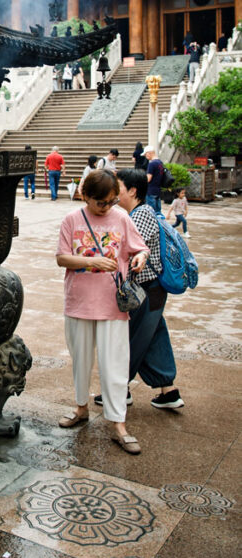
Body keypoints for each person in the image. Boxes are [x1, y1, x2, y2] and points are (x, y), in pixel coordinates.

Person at [56, 169, 149, 454]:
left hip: (113, 303)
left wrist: (141, 259)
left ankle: (118, 423)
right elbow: (61, 258)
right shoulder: (71, 220)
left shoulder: (121, 217)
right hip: (79, 301)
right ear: (86, 196)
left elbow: (139, 248)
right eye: (101, 202)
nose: (107, 207)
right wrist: (94, 259)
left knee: (115, 365)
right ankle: (81, 407)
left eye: (111, 201)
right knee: (80, 359)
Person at [109, 168, 185, 411]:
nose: (114, 192)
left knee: (131, 339)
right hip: (152, 291)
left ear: (132, 191)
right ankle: (168, 391)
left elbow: (125, 250)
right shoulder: (140, 212)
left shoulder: (140, 214)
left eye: (117, 187)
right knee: (154, 338)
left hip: (146, 290)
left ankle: (120, 390)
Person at [144, 147, 164, 213]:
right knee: (158, 212)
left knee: (151, 212)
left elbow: (148, 178)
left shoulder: (152, 164)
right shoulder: (160, 162)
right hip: (157, 190)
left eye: (145, 155)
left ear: (149, 153)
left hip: (151, 190)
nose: (145, 157)